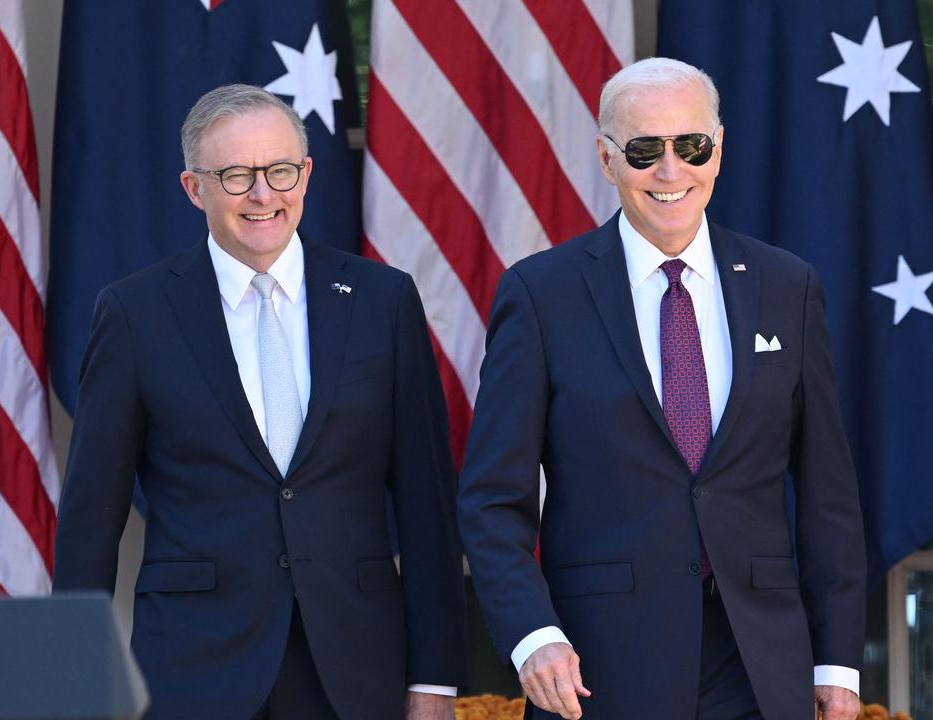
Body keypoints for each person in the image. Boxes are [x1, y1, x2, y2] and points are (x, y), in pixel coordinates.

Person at [458, 58, 867, 719]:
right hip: (600, 668)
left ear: (719, 150)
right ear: (606, 157)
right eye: (645, 150)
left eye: (691, 146)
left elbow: (829, 497)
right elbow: (490, 500)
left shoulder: (787, 287)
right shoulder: (541, 295)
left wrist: (838, 661)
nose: (671, 172)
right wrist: (534, 637)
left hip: (760, 663)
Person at [53, 84, 466, 720]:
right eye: (236, 175)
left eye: (278, 171)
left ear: (305, 174)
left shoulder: (382, 302)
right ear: (195, 188)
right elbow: (91, 515)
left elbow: (426, 503)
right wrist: (76, 678)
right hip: (193, 667)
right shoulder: (136, 314)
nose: (263, 195)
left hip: (354, 666)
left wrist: (435, 677)